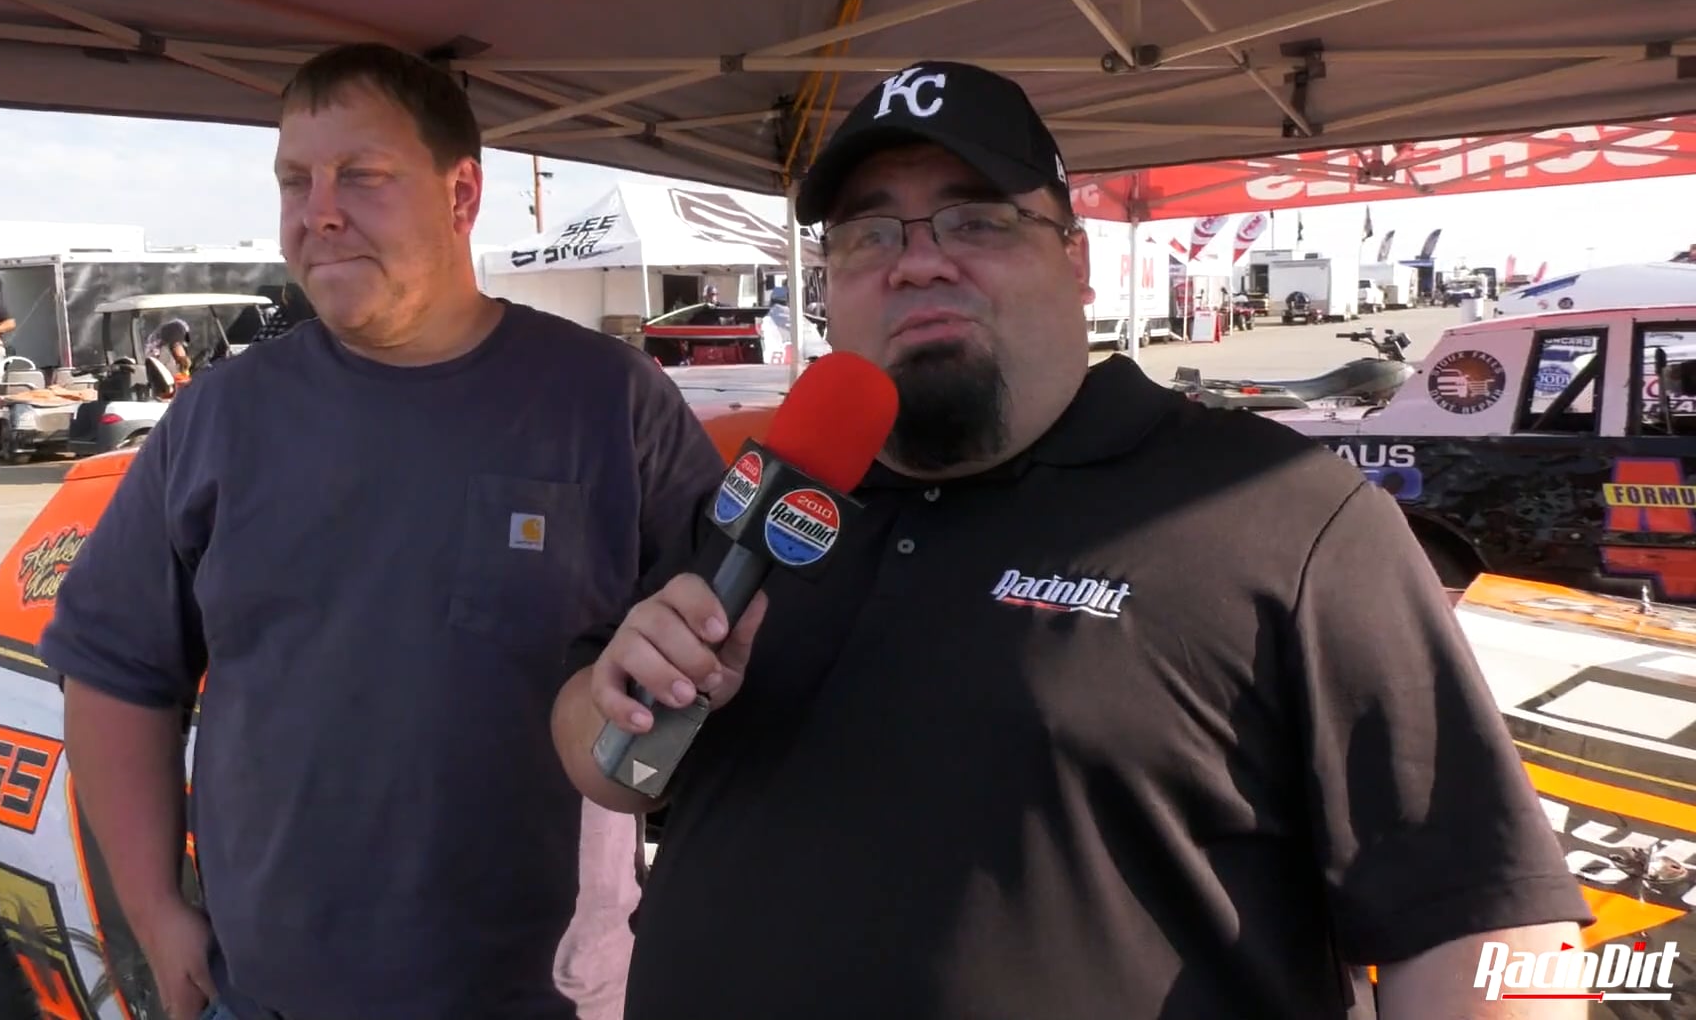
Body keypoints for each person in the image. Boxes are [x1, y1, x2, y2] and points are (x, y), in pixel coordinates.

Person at [550, 60, 1594, 1019]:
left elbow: (1490, 928)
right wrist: (616, 703)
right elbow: (606, 764)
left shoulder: (1280, 514)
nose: (916, 265)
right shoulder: (773, 492)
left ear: (1075, 259)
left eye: (975, 221)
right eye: (871, 234)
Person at [38, 42, 724, 1020]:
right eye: (295, 181)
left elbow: (730, 679)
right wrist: (154, 908)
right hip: (272, 997)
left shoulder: (611, 404)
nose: (318, 210)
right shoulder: (220, 417)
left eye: (361, 176)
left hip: (554, 1000)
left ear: (461, 195)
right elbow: (115, 670)